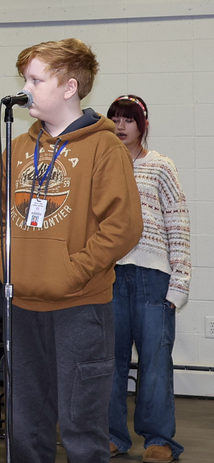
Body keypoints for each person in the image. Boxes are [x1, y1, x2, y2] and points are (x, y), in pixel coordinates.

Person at [0, 38, 142, 463]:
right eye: (25, 79)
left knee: (81, 429)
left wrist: (69, 273)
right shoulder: (17, 149)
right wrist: (11, 270)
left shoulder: (103, 146)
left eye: (36, 79)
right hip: (22, 306)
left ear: (69, 87)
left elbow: (122, 228)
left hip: (80, 307)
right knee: (25, 427)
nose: (26, 88)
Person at [106, 95, 190, 463]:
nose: (120, 126)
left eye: (128, 120)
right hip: (109, 277)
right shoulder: (101, 167)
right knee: (108, 361)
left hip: (153, 278)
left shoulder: (160, 166)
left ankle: (158, 439)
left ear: (143, 126)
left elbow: (179, 222)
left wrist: (180, 282)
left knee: (156, 362)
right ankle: (110, 435)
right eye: (115, 119)